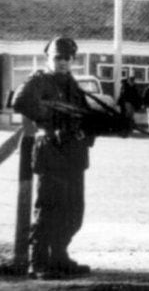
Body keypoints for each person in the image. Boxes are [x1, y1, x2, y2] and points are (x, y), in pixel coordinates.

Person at [11, 37, 93, 279]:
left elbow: (85, 115)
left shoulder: (72, 85)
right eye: (58, 57)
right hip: (51, 151)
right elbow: (20, 101)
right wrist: (49, 120)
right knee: (49, 208)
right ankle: (38, 262)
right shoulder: (40, 80)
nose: (63, 62)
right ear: (49, 58)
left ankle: (60, 256)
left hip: (74, 153)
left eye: (68, 58)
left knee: (73, 210)